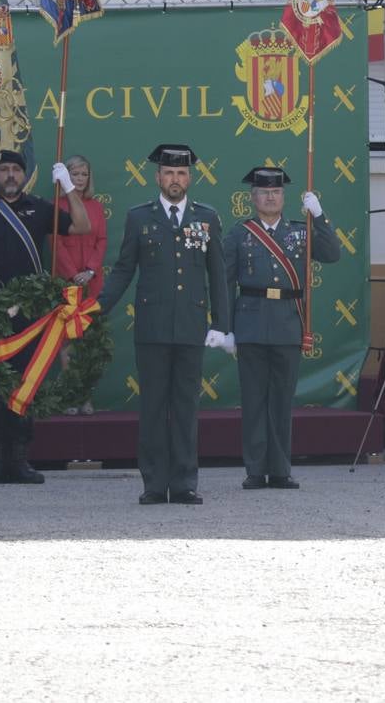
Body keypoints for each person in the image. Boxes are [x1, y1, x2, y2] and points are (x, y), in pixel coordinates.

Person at [99, 144, 231, 505]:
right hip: (152, 327)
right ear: (157, 177)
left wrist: (221, 323)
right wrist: (97, 307)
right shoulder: (139, 217)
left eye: (182, 173)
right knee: (153, 407)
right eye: (169, 173)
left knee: (186, 407)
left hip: (191, 326)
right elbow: (124, 268)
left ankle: (185, 482)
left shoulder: (207, 217)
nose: (175, 179)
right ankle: (154, 484)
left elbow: (217, 273)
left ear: (190, 177)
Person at [0, 149, 89, 484]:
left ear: (24, 175)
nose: (10, 175)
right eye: (4, 169)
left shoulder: (40, 208)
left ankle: (19, 458)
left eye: (16, 169)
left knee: (25, 383)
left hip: (30, 315)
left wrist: (68, 188)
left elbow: (82, 225)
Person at [224, 166, 339, 490]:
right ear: (253, 197)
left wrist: (319, 215)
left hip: (289, 323)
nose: (270, 197)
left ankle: (280, 469)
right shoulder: (239, 234)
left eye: (275, 192)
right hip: (250, 324)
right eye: (263, 192)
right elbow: (224, 281)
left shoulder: (300, 231)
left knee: (282, 402)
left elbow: (332, 254)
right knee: (254, 400)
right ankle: (255, 470)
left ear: (283, 197)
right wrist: (225, 327)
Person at [53, 154, 108, 415]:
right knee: (67, 342)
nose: (80, 179)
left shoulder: (96, 207)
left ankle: (86, 396)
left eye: (84, 174)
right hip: (68, 284)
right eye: (75, 174)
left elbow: (102, 241)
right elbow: (56, 244)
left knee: (89, 344)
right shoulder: (58, 206)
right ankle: (70, 397)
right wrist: (73, 274)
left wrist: (89, 270)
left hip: (92, 283)